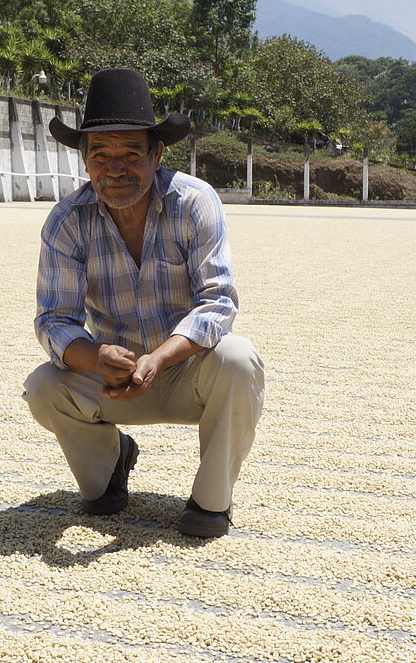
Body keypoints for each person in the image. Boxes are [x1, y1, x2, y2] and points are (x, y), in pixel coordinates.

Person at [24, 68, 265, 538]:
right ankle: (111, 465)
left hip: (188, 371)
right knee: (44, 386)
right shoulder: (67, 220)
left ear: (157, 154)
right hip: (112, 378)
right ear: (85, 161)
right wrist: (96, 357)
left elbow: (218, 302)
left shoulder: (194, 201)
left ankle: (211, 502)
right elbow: (54, 320)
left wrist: (159, 358)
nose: (115, 168)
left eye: (131, 153)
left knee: (239, 359)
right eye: (100, 154)